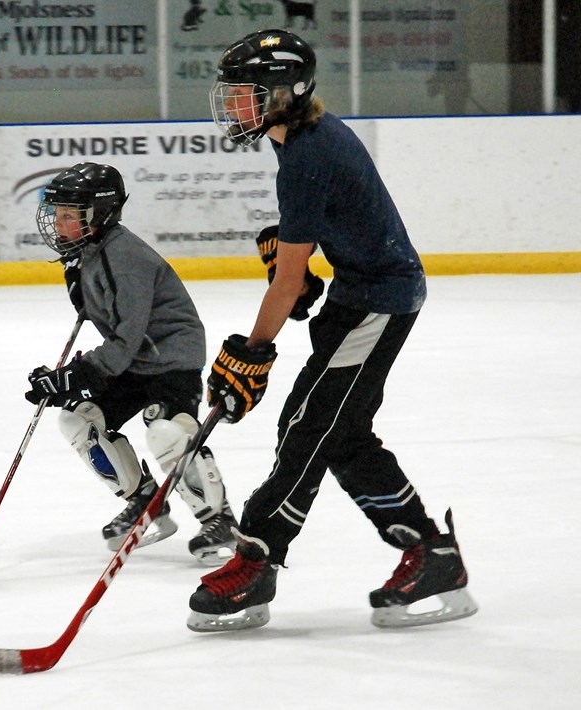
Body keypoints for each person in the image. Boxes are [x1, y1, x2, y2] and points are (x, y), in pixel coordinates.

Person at [186, 30, 478, 630]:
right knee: (341, 437)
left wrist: (252, 352)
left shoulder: (308, 155)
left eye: (245, 95)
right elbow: (313, 248)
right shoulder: (298, 140)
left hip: (378, 300)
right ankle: (433, 556)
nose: (233, 106)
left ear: (283, 94)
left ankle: (256, 559)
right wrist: (304, 263)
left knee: (307, 427)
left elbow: (289, 285)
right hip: (361, 293)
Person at [25, 161, 238, 566]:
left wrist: (71, 377)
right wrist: (67, 384)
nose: (59, 224)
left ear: (100, 214)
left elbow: (123, 342)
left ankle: (219, 518)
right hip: (137, 360)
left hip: (171, 357)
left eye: (70, 215)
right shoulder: (89, 253)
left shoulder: (125, 257)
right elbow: (111, 329)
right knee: (80, 420)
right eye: (58, 215)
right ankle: (145, 503)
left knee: (165, 432)